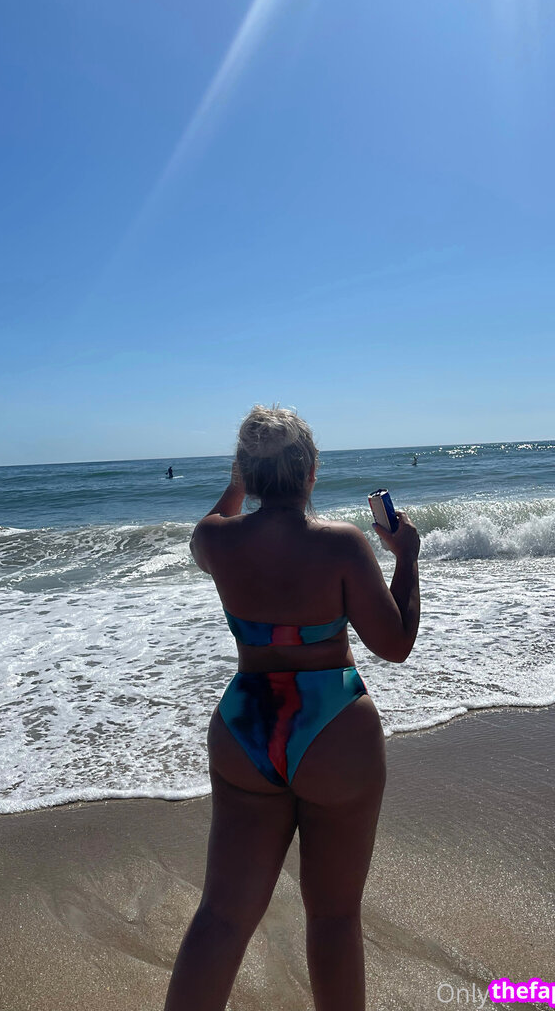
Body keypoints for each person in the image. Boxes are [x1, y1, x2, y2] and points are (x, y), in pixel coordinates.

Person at [164, 405, 420, 1011]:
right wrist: (406, 556)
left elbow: (212, 521)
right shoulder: (342, 544)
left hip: (246, 722)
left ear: (246, 472)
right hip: (332, 723)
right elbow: (395, 644)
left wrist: (236, 485)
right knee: (333, 917)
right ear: (311, 470)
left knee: (222, 916)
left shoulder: (215, 541)